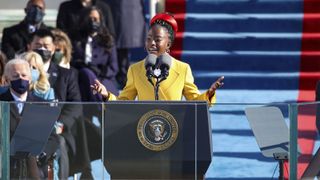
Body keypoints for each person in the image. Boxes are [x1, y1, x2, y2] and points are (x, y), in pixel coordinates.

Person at [92, 13, 224, 103]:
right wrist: (107, 95)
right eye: (148, 39)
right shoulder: (135, 69)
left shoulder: (183, 69)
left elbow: (195, 101)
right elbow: (124, 102)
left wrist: (209, 93)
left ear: (168, 44)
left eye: (157, 39)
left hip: (173, 129)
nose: (152, 43)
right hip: (145, 130)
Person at [28, 28, 90, 178]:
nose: (42, 49)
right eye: (37, 45)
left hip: (58, 131)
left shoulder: (67, 75)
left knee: (59, 144)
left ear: (54, 48)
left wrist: (59, 125)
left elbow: (75, 105)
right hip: (28, 129)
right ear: (29, 46)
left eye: (46, 46)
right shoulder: (22, 72)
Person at [0, 59, 59, 179]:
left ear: (30, 78)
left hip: (34, 166)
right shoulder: (1, 103)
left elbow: (52, 137)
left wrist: (42, 153)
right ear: (7, 80)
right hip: (6, 166)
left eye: (24, 75)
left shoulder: (42, 104)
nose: (20, 78)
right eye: (15, 76)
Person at [72, 6, 119, 101]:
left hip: (104, 78)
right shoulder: (75, 39)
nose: (93, 21)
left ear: (101, 20)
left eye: (95, 19)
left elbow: (114, 68)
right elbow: (71, 62)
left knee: (98, 85)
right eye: (90, 19)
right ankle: (97, 108)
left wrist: (99, 72)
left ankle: (98, 108)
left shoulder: (108, 40)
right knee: (86, 73)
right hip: (82, 78)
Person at [104, 0, 147, 88]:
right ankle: (122, 76)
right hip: (116, 10)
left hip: (119, 11)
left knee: (121, 46)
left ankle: (122, 77)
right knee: (119, 45)